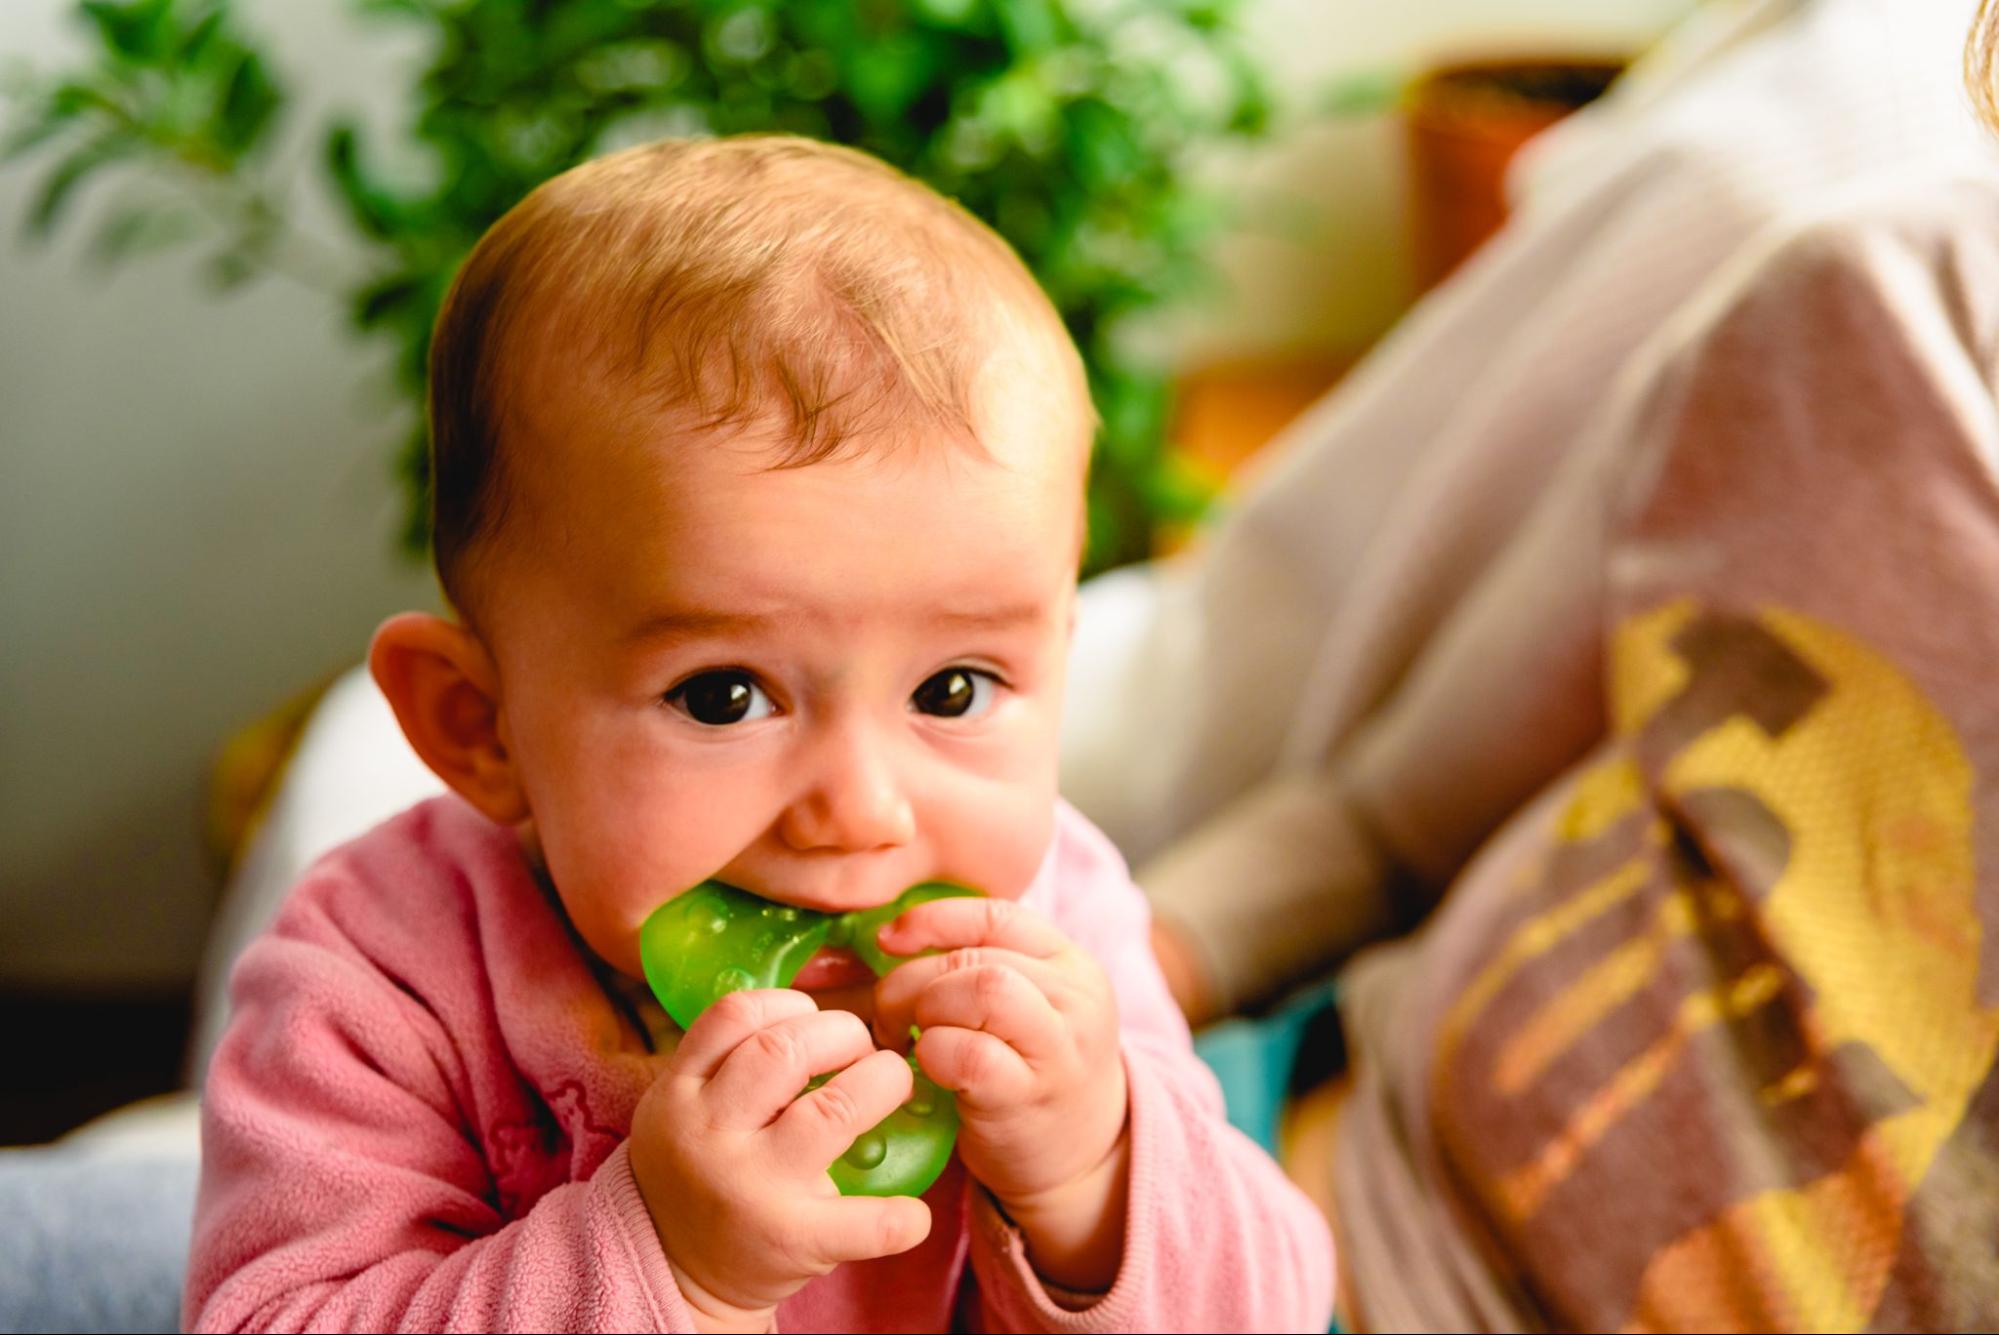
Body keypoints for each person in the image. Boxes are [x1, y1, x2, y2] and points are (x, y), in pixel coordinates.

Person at [181, 136, 1331, 1333]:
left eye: (952, 690)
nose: (859, 810)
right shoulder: (379, 978)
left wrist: (1094, 1178)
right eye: (723, 696)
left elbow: (1281, 1305)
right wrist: (663, 1262)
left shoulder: (1056, 927)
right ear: (483, 728)